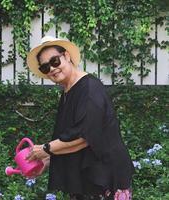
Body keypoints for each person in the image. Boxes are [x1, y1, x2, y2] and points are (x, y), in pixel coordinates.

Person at [26, 36, 134, 200]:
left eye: (55, 61)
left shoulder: (89, 88)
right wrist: (46, 160)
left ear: (67, 56)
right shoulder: (68, 91)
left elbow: (83, 137)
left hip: (105, 177)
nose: (52, 69)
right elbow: (68, 137)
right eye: (45, 67)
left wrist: (45, 149)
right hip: (85, 178)